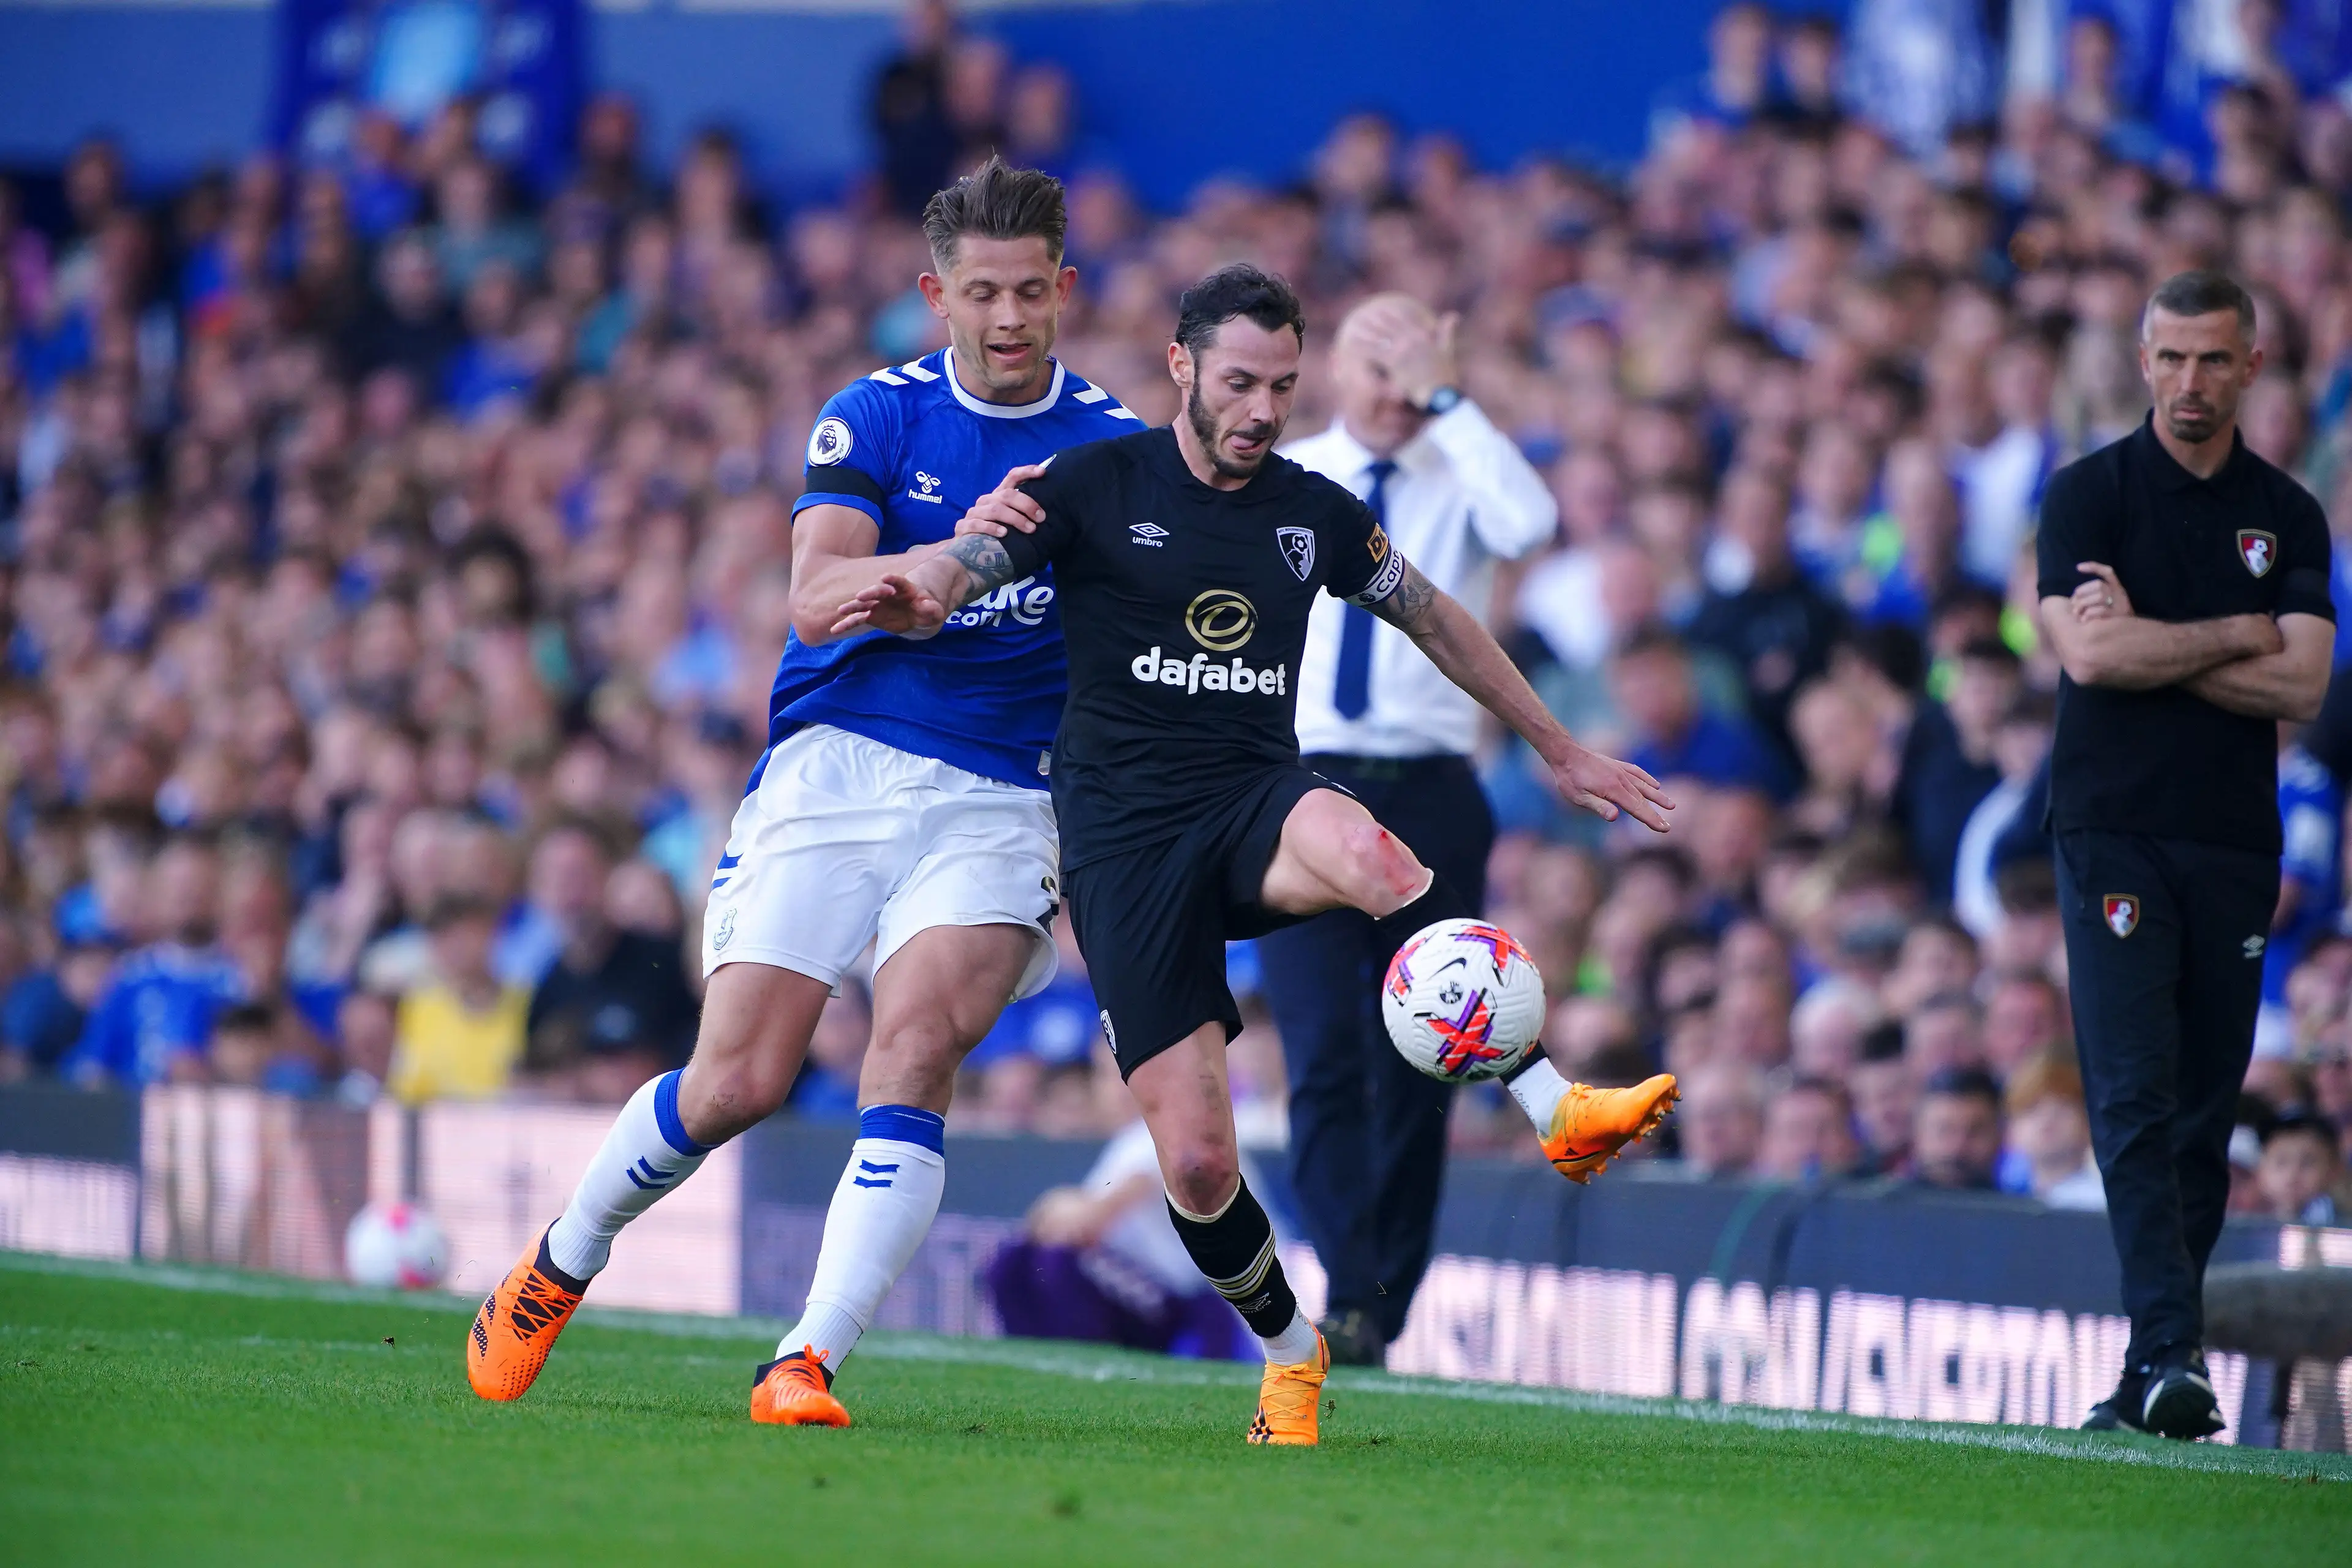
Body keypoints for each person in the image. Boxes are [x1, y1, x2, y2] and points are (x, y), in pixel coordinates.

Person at [840, 263, 1679, 1446]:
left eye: (1283, 386)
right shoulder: (1093, 482)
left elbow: (1435, 612)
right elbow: (968, 564)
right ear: (1181, 367)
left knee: (1381, 855)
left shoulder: (1312, 508)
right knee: (1194, 1164)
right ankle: (1292, 1355)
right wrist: (921, 583)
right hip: (1125, 851)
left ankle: (1557, 1108)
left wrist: (1560, 748)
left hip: (1253, 795)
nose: (1261, 411)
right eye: (1239, 382)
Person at [463, 159, 1142, 1423]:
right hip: (839, 763)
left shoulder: (1114, 453)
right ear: (935, 294)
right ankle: (560, 1262)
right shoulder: (875, 416)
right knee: (739, 1080)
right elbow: (813, 596)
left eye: (1030, 292)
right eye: (982, 293)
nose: (1007, 319)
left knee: (918, 1040)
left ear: (1067, 289)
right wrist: (952, 553)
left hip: (1003, 791)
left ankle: (807, 1357)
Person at [2037, 271, 2336, 1440]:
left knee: (2205, 1104)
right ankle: (2170, 1350)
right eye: (2170, 359)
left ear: (2252, 367)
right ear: (2143, 358)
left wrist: (2150, 635)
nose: (2189, 383)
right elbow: (2088, 661)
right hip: (2111, 821)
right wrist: (2231, 633)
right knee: (2132, 1088)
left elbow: (2304, 684)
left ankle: (2154, 1362)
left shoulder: (2289, 514)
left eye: (2213, 361)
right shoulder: (2089, 496)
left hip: (2230, 835)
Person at [1253, 290, 1558, 1366]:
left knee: (1423, 1056)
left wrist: (1448, 398)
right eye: (1373, 367)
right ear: (1334, 372)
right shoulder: (1294, 477)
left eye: (1410, 370)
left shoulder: (1460, 475)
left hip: (1429, 787)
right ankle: (1347, 1290)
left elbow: (1532, 525)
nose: (1390, 395)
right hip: (1302, 785)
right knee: (1323, 1052)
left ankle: (1385, 1296)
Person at [388, 896, 528, 1106]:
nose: (455, 948)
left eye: (464, 934)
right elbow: (405, 1093)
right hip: (441, 1130)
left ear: (492, 933)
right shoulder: (420, 1008)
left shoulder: (526, 1002)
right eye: (443, 937)